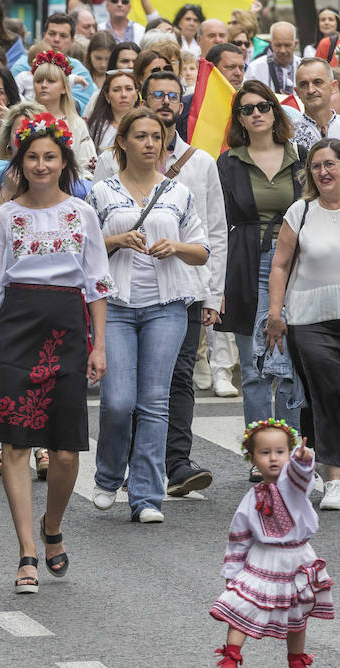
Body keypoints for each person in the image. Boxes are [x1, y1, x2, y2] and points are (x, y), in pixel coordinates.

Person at [0, 111, 111, 592]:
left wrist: (99, 346)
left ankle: (54, 525)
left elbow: (96, 285)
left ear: (64, 160)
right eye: (32, 156)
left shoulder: (83, 213)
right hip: (16, 328)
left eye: (50, 156)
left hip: (67, 328)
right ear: (20, 161)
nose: (41, 164)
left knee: (66, 451)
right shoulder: (5, 217)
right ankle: (27, 550)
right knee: (15, 441)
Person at [89, 108, 210, 523]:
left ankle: (146, 496)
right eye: (139, 136)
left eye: (155, 137)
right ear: (122, 142)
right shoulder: (101, 192)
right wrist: (116, 240)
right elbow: (85, 252)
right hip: (117, 307)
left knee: (155, 401)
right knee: (119, 401)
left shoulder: (178, 192)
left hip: (167, 306)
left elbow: (201, 249)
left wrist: (174, 247)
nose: (148, 143)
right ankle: (107, 476)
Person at [263, 138, 340, 512]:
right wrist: (275, 314)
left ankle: (309, 457)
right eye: (316, 166)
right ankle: (335, 482)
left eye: (330, 164)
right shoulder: (301, 211)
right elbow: (280, 264)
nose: (323, 172)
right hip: (308, 318)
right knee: (327, 390)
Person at [217, 82, 307, 454]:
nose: (256, 113)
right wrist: (215, 285)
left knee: (290, 367)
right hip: (245, 263)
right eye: (247, 108)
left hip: (295, 264)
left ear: (275, 112)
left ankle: (292, 451)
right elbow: (218, 223)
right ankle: (260, 455)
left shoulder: (299, 156)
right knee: (254, 368)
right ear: (238, 118)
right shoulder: (229, 161)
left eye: (263, 106)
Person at [209, 421, 332, 668]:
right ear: (252, 458)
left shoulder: (293, 488)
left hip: (297, 558)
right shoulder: (250, 498)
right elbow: (239, 536)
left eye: (280, 452)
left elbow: (301, 479)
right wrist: (232, 572)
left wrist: (304, 461)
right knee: (243, 604)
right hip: (263, 558)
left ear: (289, 454)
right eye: (265, 453)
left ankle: (296, 659)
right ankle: (231, 657)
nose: (273, 458)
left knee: (297, 612)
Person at [28, 51, 96, 173]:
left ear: (64, 88)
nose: (43, 85)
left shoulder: (76, 124)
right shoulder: (26, 120)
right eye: (38, 81)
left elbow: (88, 168)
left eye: (51, 81)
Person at [244, 21, 299, 96]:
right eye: (278, 45)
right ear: (270, 43)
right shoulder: (255, 68)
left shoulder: (304, 67)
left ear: (295, 44)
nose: (282, 50)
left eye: (287, 45)